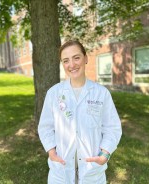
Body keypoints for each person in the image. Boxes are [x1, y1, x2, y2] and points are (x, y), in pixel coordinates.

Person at [38, 40, 122, 184]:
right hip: (61, 170)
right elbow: (45, 127)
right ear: (62, 64)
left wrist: (104, 154)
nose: (71, 65)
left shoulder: (101, 93)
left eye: (76, 57)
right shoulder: (54, 93)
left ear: (86, 58)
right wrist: (52, 152)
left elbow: (112, 128)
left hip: (92, 170)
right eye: (66, 60)